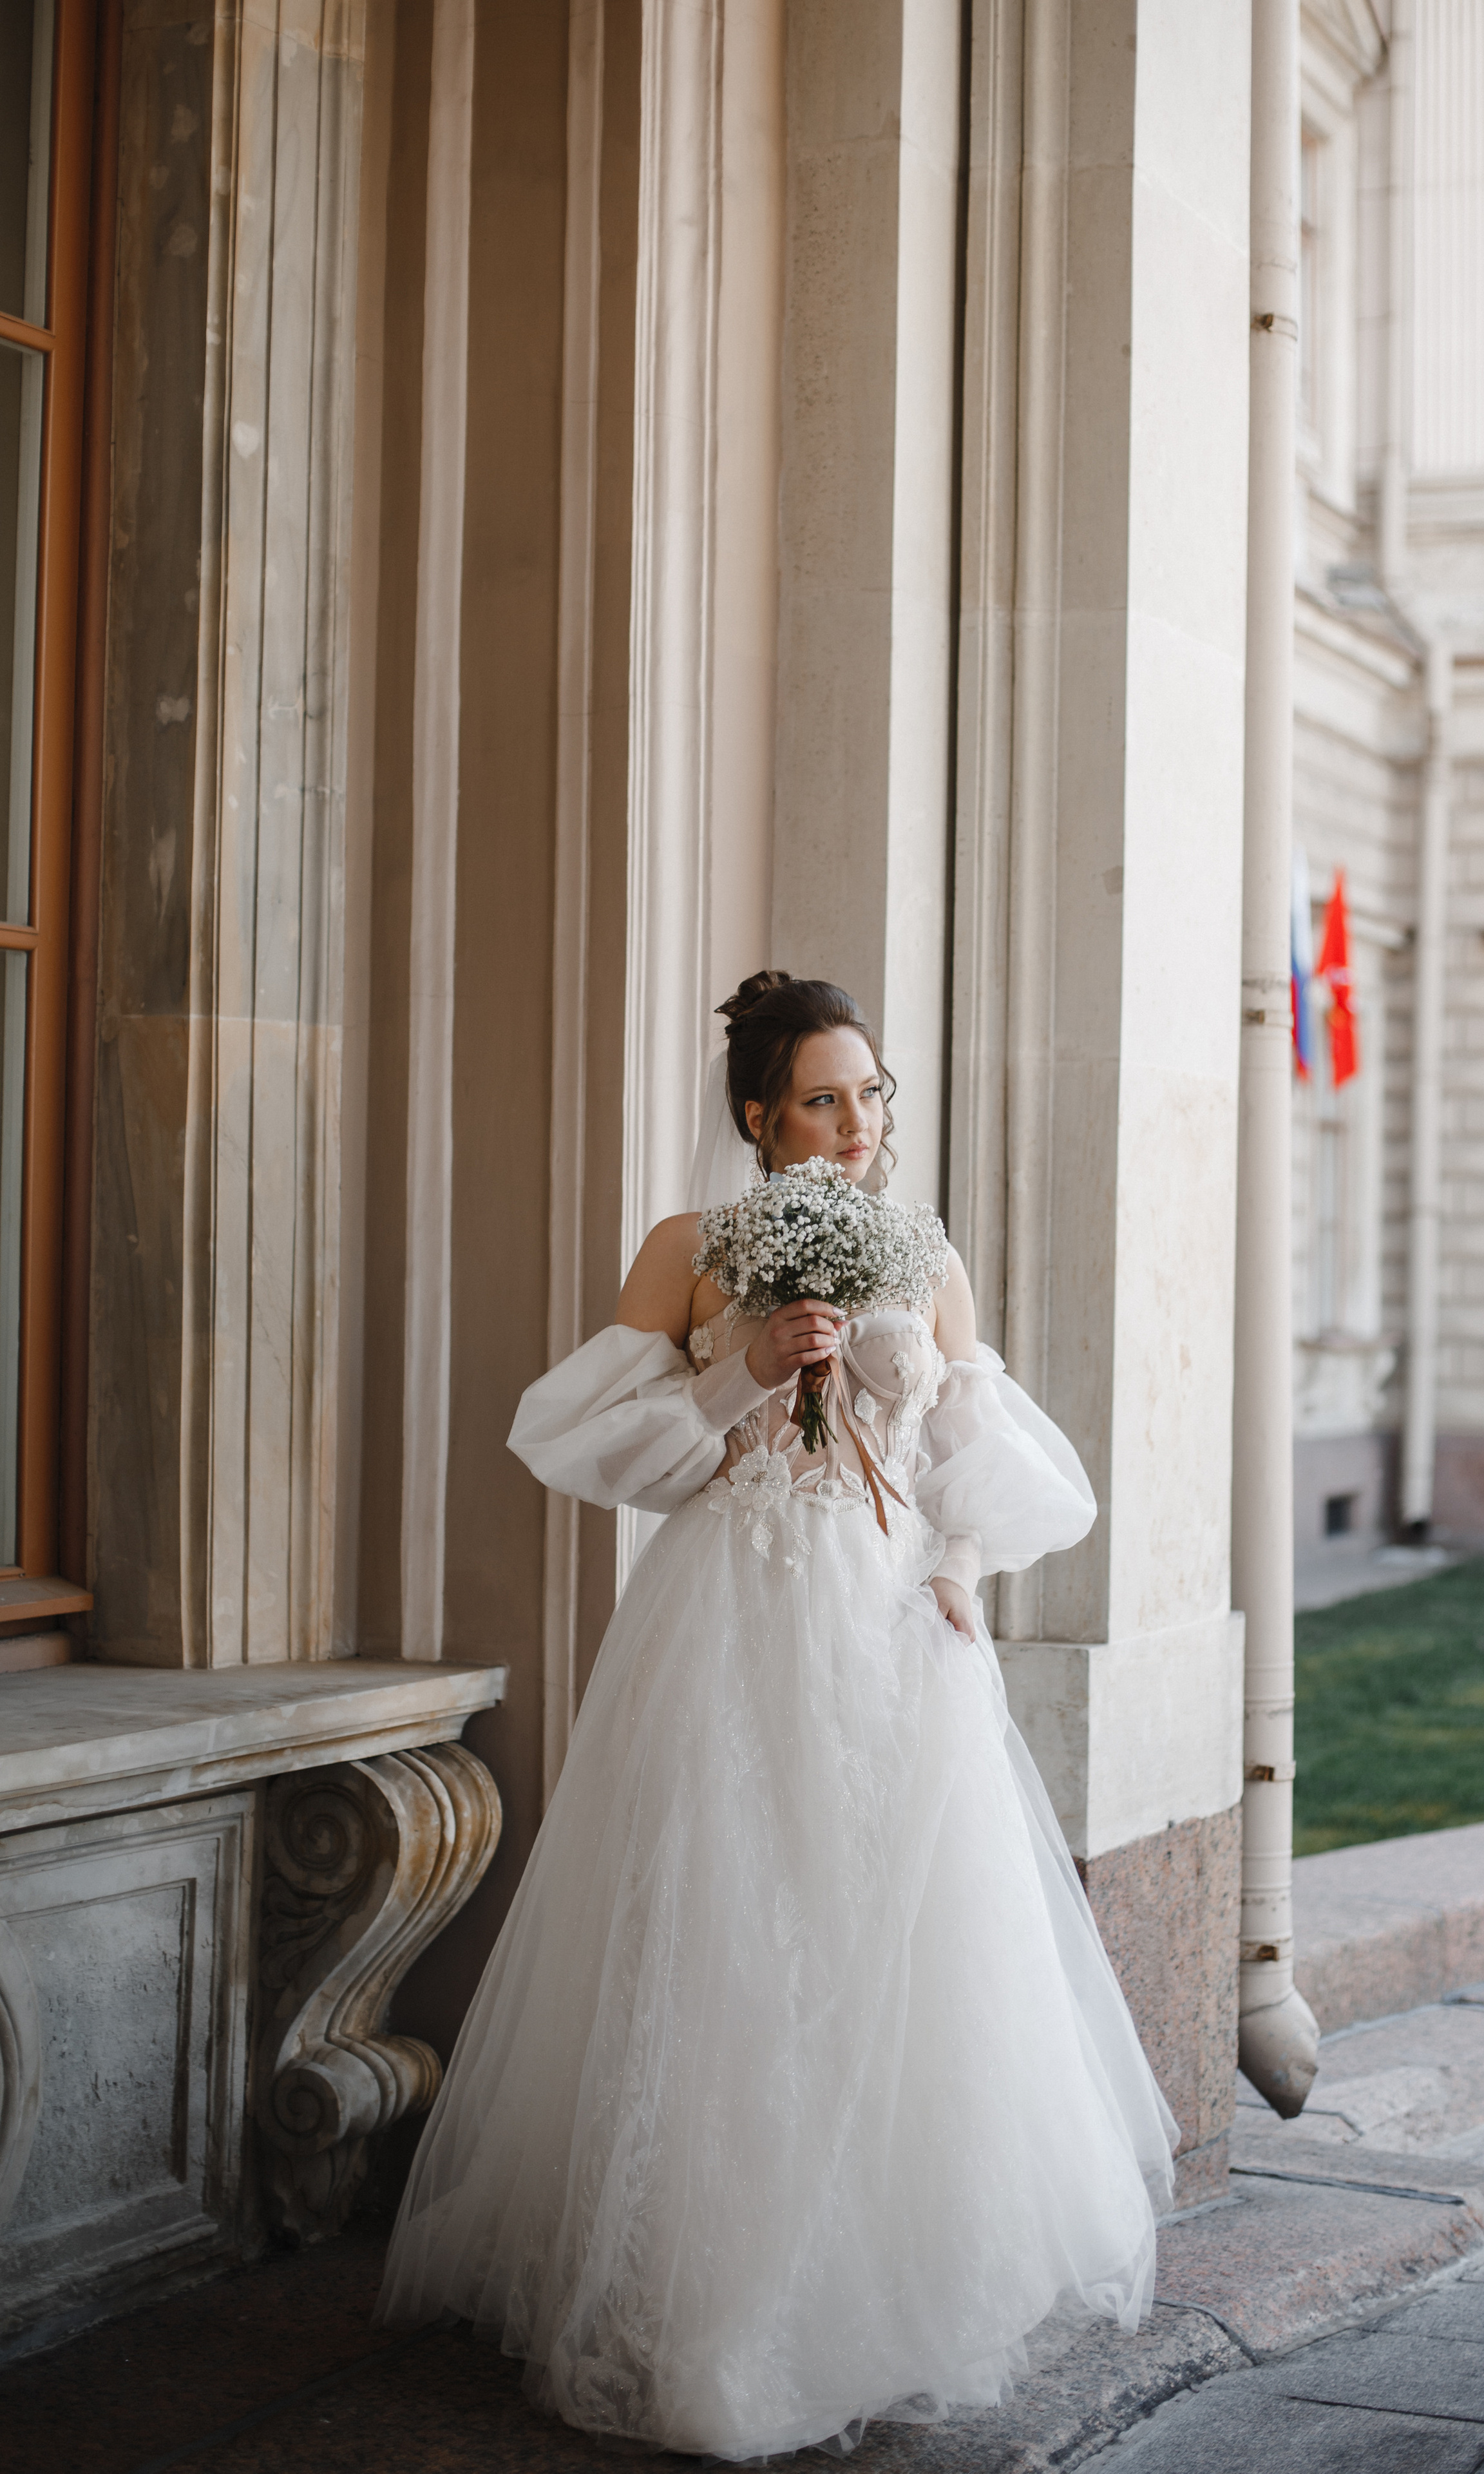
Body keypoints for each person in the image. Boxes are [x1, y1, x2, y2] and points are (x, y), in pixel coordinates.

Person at [376, 972, 1176, 2460]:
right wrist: (737, 1377)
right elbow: (581, 1445)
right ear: (759, 1116)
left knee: (893, 1941)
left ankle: (888, 2286)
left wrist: (955, 1571)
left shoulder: (926, 1254)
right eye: (822, 1099)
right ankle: (702, 2303)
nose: (857, 1123)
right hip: (729, 1620)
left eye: (871, 1093)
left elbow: (969, 1463)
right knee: (727, 1927)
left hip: (887, 1630)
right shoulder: (688, 1249)